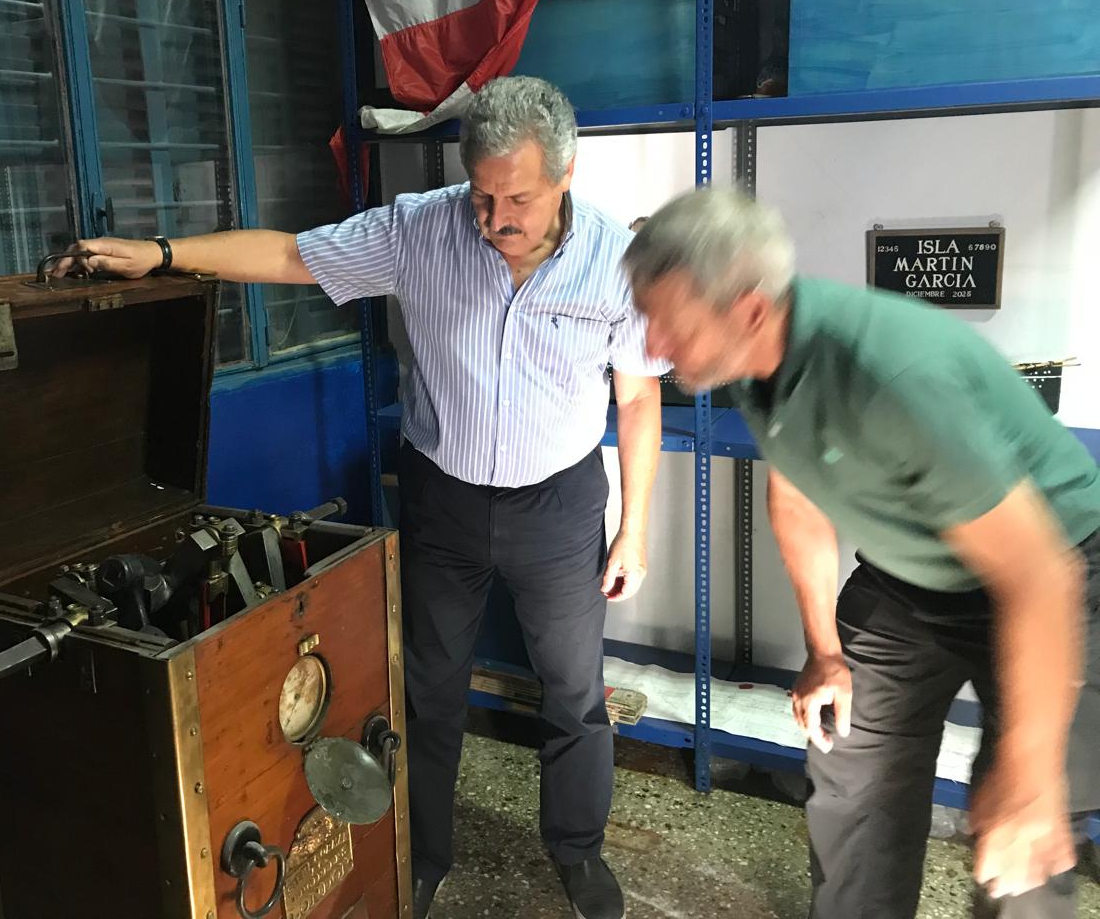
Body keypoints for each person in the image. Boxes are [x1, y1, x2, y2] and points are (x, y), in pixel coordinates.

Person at [59, 76, 666, 919]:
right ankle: (419, 853)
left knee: (574, 693)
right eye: (483, 196)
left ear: (566, 175)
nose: (495, 220)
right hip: (444, 499)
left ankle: (577, 852)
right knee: (427, 687)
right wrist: (164, 255)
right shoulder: (421, 228)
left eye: (517, 198)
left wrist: (634, 529)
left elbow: (637, 399)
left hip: (558, 508)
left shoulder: (616, 261)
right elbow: (289, 256)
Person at [624, 186, 1100, 919]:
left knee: (1023, 836)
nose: (653, 346)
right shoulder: (754, 362)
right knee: (853, 778)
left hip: (1052, 577)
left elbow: (1038, 576)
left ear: (748, 308)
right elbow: (798, 500)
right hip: (909, 579)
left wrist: (1029, 777)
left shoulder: (890, 377)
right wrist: (825, 653)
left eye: (669, 324)